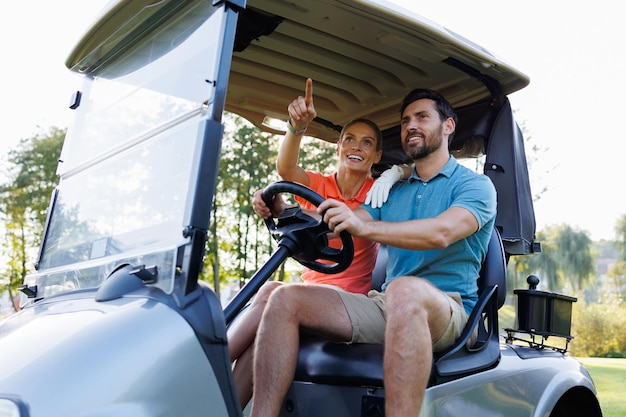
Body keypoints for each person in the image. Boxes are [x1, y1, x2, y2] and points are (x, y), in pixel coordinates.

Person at [248, 88, 497, 417]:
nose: (411, 125)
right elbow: (347, 221)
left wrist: (363, 226)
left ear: (448, 126)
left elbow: (442, 232)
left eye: (422, 117)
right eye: (406, 120)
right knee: (284, 298)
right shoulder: (391, 190)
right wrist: (282, 210)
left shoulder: (474, 185)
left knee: (405, 290)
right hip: (387, 305)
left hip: (451, 311)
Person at [227, 78, 386, 407]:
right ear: (338, 147)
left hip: (348, 302)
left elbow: (334, 222)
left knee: (275, 292)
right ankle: (219, 405)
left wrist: (288, 212)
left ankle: (202, 359)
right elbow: (286, 170)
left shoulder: (379, 195)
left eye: (367, 143)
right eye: (350, 140)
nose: (357, 147)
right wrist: (295, 128)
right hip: (309, 291)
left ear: (376, 155)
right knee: (270, 305)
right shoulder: (320, 184)